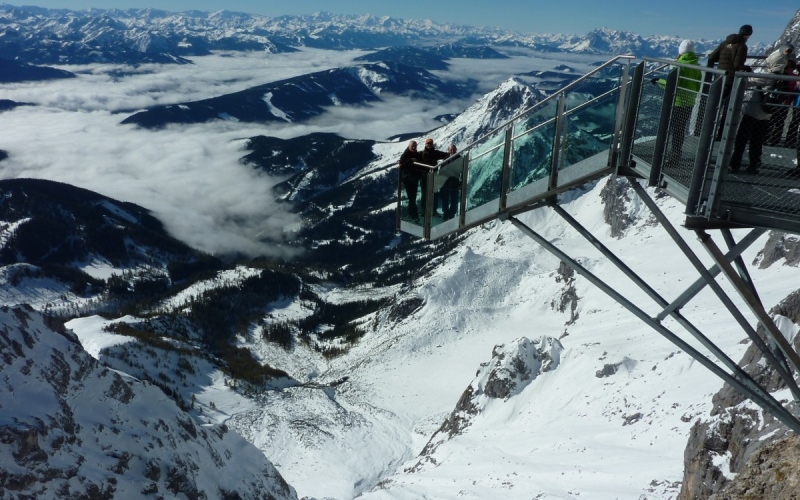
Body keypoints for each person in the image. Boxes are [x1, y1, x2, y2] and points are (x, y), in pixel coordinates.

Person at [654, 40, 702, 160]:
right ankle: (675, 153)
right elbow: (697, 86)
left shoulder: (679, 65)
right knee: (680, 129)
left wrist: (658, 81)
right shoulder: (696, 66)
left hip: (678, 101)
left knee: (672, 128)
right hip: (690, 101)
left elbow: (672, 84)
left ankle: (668, 153)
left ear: (681, 51)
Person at [707, 24, 753, 140]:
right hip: (731, 80)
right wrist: (747, 69)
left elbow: (712, 57)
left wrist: (723, 60)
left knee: (715, 107)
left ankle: (707, 133)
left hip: (719, 79)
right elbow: (738, 65)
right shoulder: (741, 46)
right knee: (728, 109)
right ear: (748, 35)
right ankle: (721, 135)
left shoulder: (725, 43)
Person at [763, 43, 796, 146]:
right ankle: (774, 140)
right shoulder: (791, 77)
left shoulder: (782, 74)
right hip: (785, 99)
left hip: (776, 98)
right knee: (779, 121)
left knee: (771, 119)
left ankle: (766, 138)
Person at [419, 138, 449, 216]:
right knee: (424, 194)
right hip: (424, 177)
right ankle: (423, 211)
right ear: (425, 144)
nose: (429, 145)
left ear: (432, 144)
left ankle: (433, 210)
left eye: (430, 143)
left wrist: (445, 163)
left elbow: (446, 155)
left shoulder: (435, 153)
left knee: (434, 194)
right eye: (428, 143)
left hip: (433, 176)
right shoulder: (421, 153)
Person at [398, 140, 422, 221]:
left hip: (414, 179)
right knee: (411, 198)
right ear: (409, 146)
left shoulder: (417, 154)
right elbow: (401, 165)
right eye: (412, 146)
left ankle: (411, 214)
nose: (414, 148)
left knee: (412, 198)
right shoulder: (405, 154)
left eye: (415, 146)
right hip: (407, 180)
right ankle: (414, 215)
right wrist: (410, 161)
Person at [437, 144, 462, 220]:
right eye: (451, 149)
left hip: (455, 183)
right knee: (445, 199)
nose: (452, 151)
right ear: (448, 150)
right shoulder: (445, 159)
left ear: (456, 150)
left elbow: (463, 170)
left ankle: (451, 214)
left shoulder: (460, 159)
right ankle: (446, 213)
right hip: (446, 183)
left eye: (453, 149)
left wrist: (461, 182)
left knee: (454, 200)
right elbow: (441, 170)